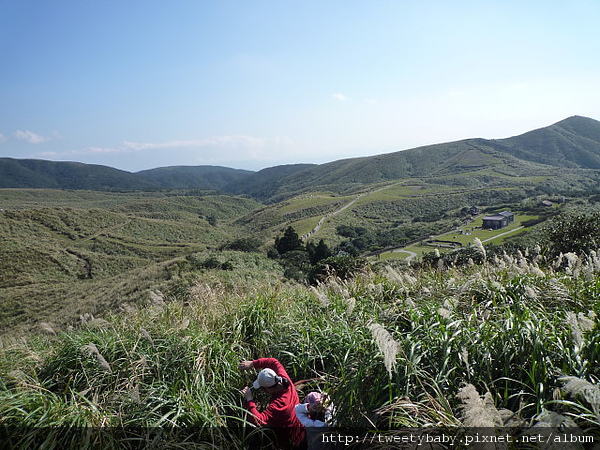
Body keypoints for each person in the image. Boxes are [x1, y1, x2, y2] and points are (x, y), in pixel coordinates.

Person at [239, 358, 306, 450]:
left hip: (293, 442)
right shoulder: (284, 379)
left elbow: (258, 421)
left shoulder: (279, 404)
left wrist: (249, 400)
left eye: (262, 389)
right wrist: (252, 364)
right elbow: (273, 362)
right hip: (302, 428)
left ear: (269, 389)